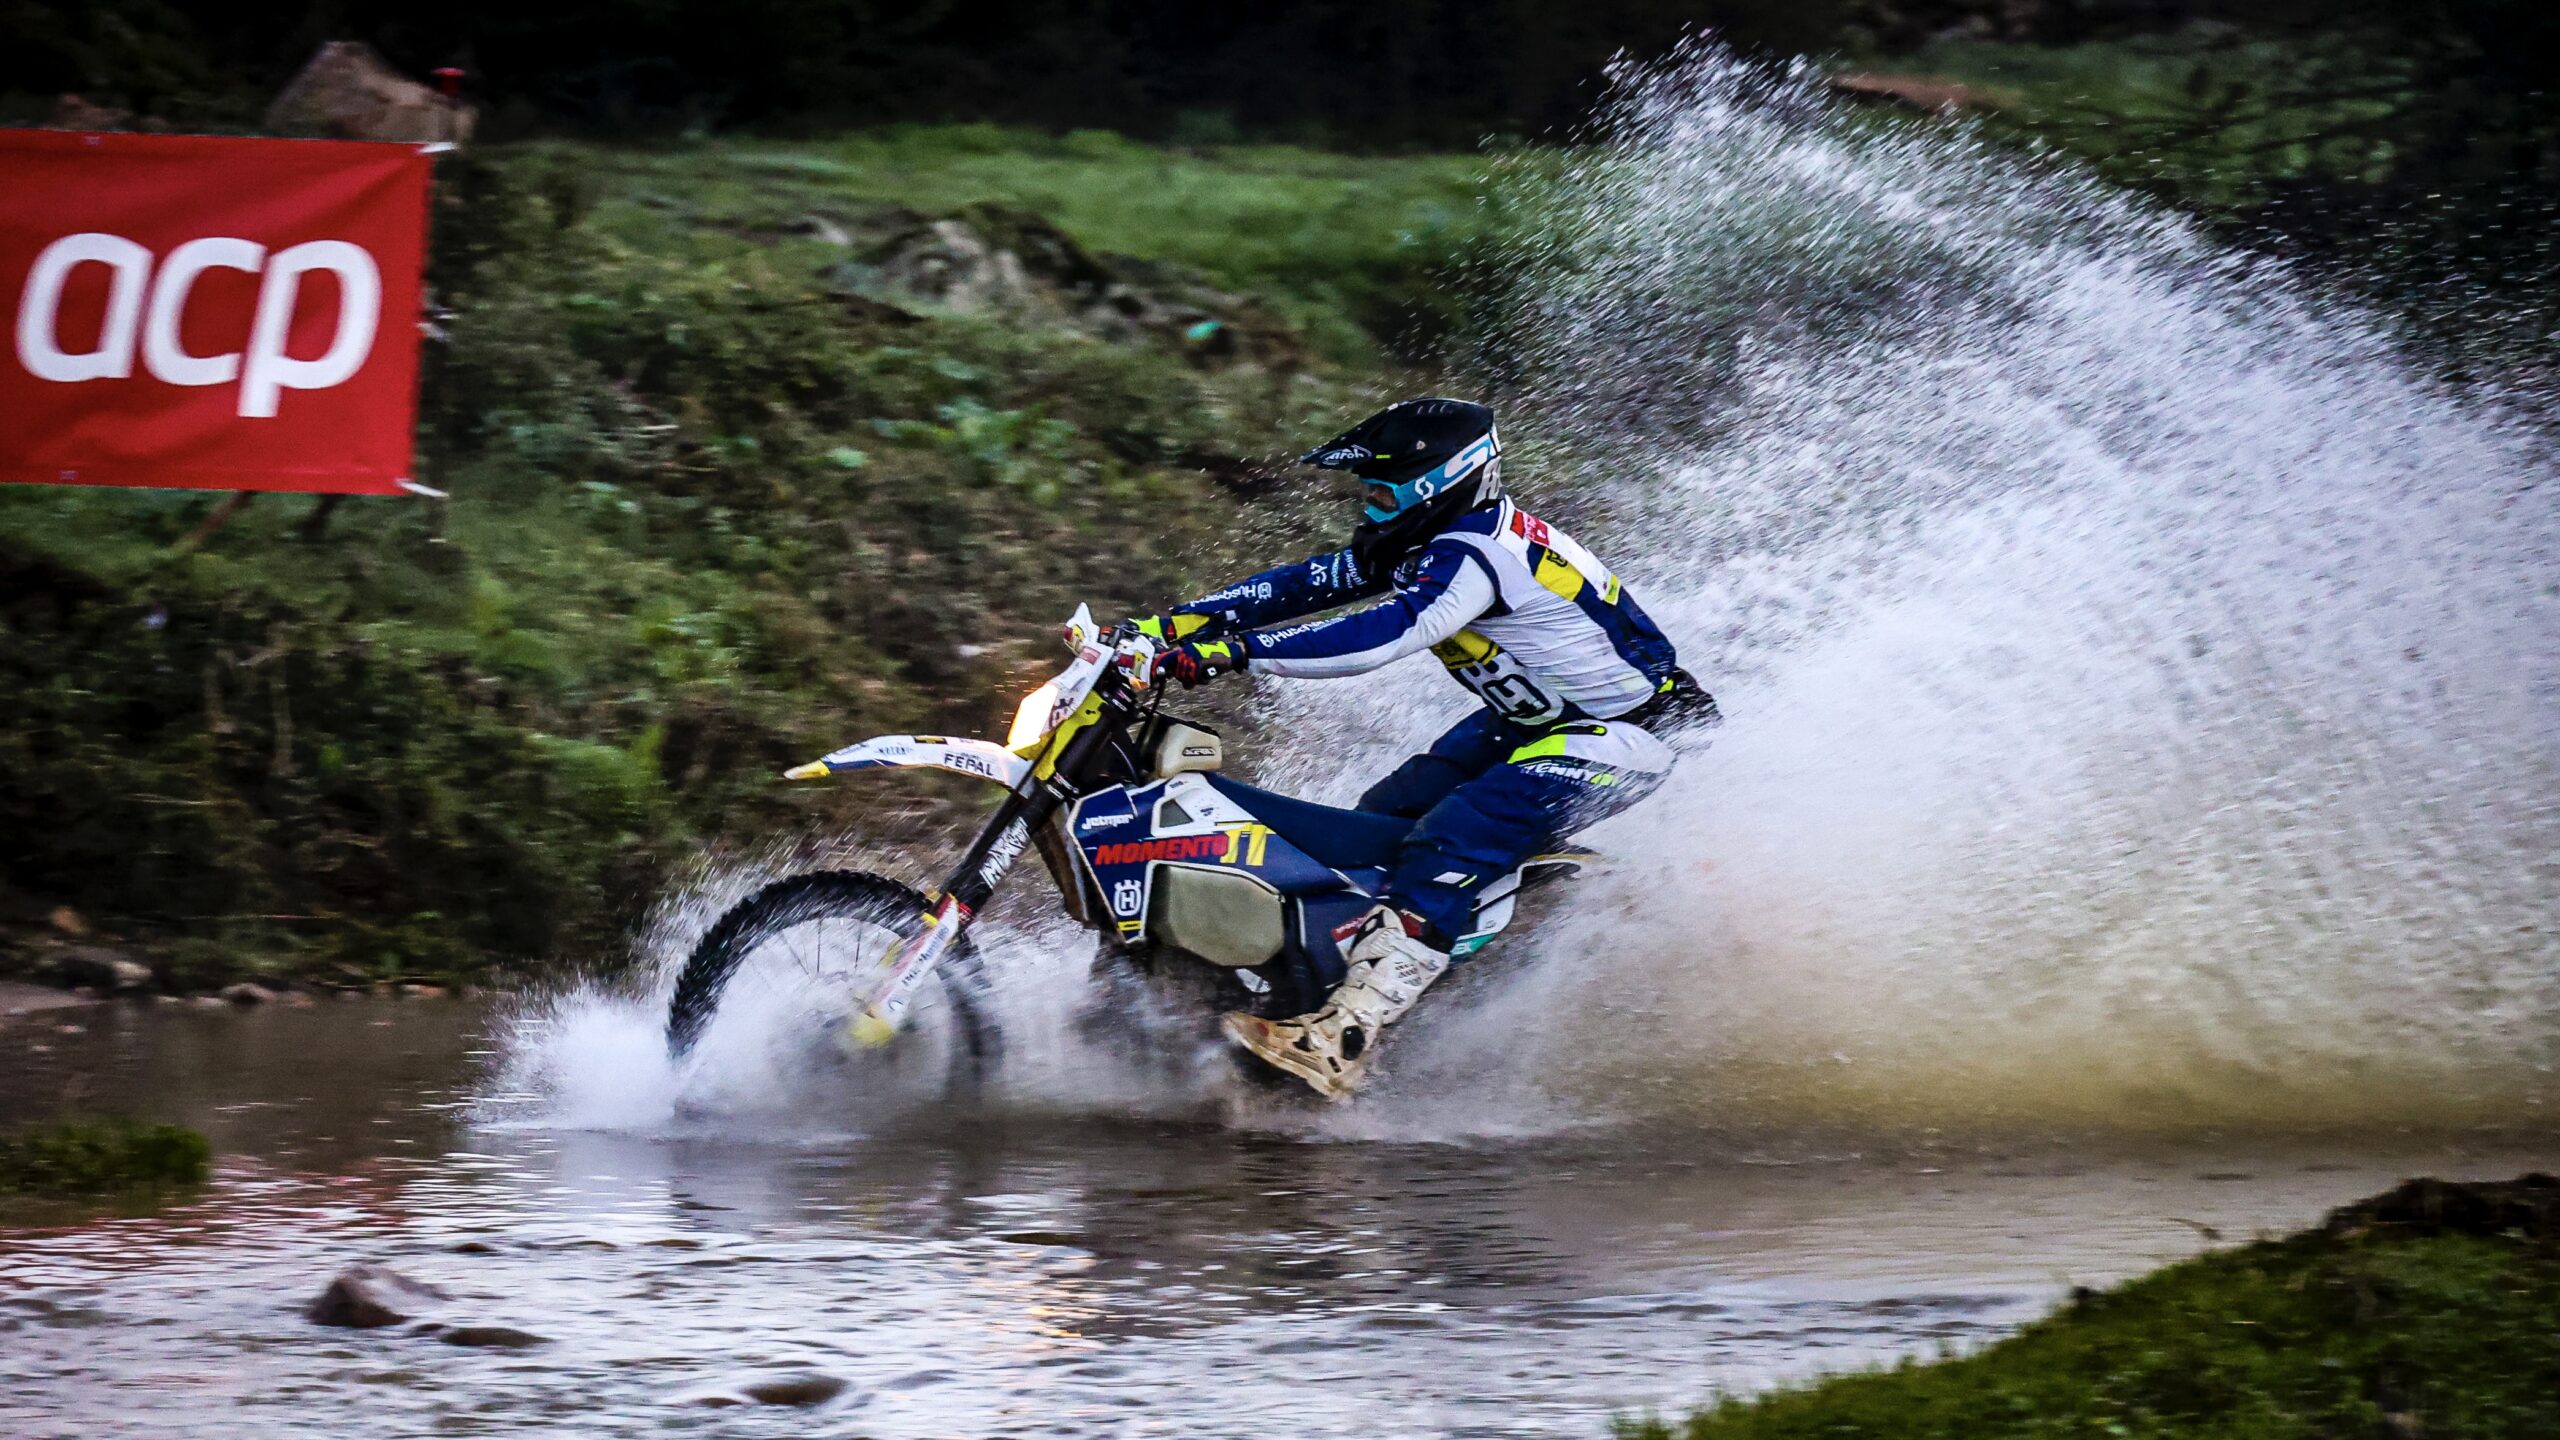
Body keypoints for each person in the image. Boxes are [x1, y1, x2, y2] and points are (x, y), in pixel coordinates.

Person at [1127, 397, 1717, 1098]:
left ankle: (1341, 1040)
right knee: (1381, 818)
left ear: (1438, 482)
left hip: (1635, 731)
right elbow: (1300, 586)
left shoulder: (1477, 551)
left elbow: (1385, 635)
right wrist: (1167, 627)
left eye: (1382, 490)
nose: (1370, 505)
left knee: (1455, 833)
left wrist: (1229, 653)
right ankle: (1355, 987)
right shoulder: (1432, 537)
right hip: (1541, 720)